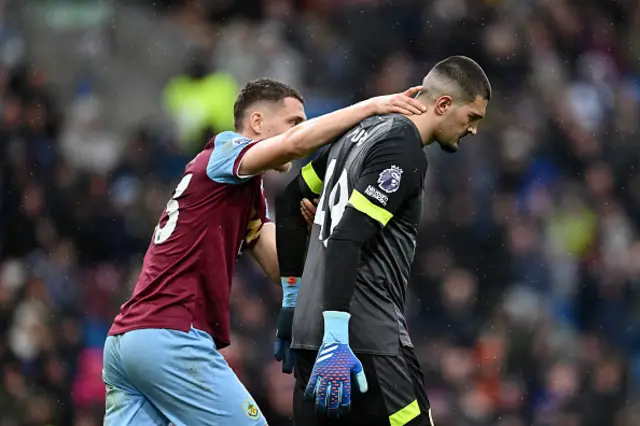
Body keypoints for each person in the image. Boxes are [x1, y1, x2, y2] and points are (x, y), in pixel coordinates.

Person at [102, 77, 426, 426]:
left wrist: (317, 228)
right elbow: (292, 146)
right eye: (293, 121)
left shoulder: (243, 191)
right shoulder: (226, 149)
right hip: (170, 335)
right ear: (257, 122)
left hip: (129, 341)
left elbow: (277, 266)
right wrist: (371, 107)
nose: (301, 130)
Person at [274, 56, 491, 425]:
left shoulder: (356, 134)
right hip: (365, 343)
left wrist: (292, 303)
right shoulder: (403, 151)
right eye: (471, 118)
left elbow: (289, 201)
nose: (472, 130)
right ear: (442, 104)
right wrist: (338, 336)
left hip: (311, 338)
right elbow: (345, 237)